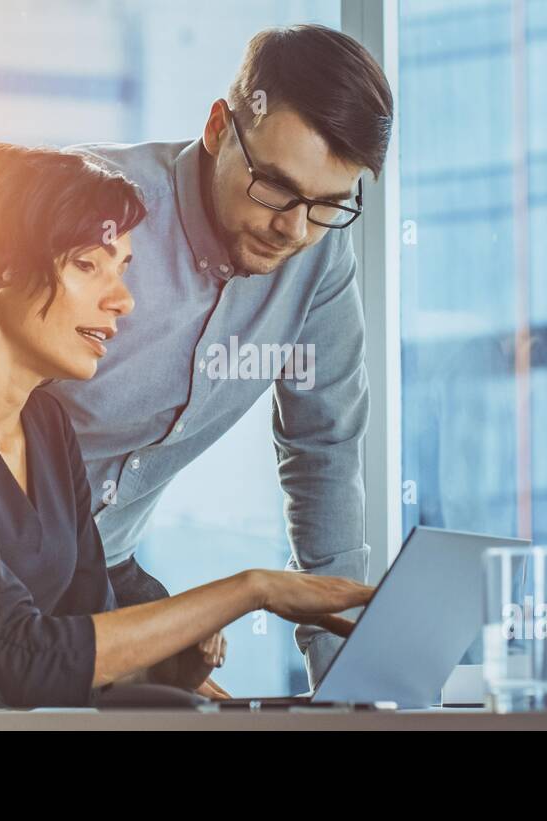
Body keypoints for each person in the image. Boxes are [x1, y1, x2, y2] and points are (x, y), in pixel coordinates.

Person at [0, 143, 372, 707]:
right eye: (88, 265)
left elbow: (88, 637)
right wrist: (252, 590)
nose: (121, 300)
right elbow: (24, 657)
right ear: (1, 269)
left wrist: (176, 662)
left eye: (122, 268)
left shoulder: (44, 424)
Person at [46, 23, 394, 692]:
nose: (293, 229)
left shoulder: (317, 258)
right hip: (6, 561)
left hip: (108, 564)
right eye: (275, 187)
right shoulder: (96, 209)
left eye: (328, 204)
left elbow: (323, 452)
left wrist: (349, 688)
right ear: (216, 128)